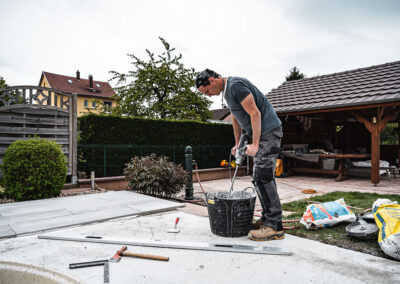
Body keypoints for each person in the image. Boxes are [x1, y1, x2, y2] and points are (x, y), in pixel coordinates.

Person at [196, 69, 284, 241]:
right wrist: (238, 144)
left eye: (206, 91)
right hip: (264, 134)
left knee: (263, 177)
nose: (208, 95)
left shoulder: (235, 86)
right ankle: (268, 220)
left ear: (212, 80)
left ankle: (275, 226)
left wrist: (256, 144)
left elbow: (255, 113)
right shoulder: (227, 93)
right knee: (259, 177)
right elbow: (236, 118)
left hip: (269, 132)